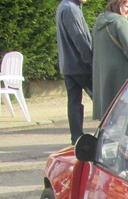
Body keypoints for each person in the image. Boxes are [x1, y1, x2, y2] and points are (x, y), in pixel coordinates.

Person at [92, 0, 128, 120]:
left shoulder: (100, 20)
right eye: (126, 6)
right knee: (127, 116)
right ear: (116, 4)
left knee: (110, 116)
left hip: (105, 75)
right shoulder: (120, 22)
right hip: (123, 76)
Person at [56, 0, 94, 146]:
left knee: (74, 103)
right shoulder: (71, 9)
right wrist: (91, 61)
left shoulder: (64, 6)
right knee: (102, 101)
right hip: (80, 65)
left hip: (68, 65)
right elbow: (80, 38)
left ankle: (76, 139)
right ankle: (109, 136)